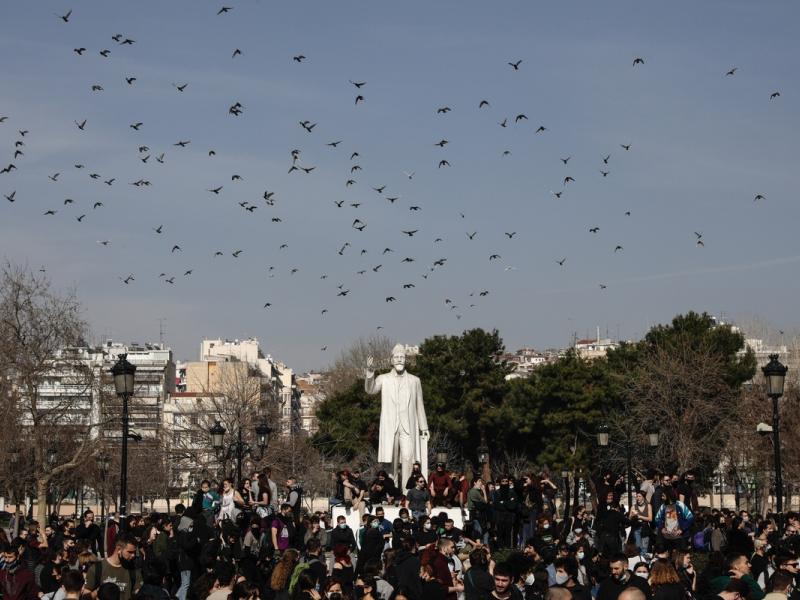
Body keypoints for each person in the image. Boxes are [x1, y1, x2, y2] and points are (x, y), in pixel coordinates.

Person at [364, 345, 430, 487]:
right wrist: (370, 372)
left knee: (408, 457)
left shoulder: (415, 380)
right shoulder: (383, 378)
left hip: (408, 426)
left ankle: (407, 492)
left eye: (402, 357)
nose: (399, 360)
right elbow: (370, 390)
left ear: (405, 360)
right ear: (391, 360)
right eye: (397, 357)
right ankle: (391, 491)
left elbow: (419, 405)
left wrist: (424, 427)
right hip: (390, 426)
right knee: (391, 460)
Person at [84, 534, 142, 600]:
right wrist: (99, 591)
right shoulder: (96, 569)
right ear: (119, 549)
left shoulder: (134, 571)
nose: (133, 555)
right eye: (130, 552)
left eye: (134, 552)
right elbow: (85, 596)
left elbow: (138, 594)